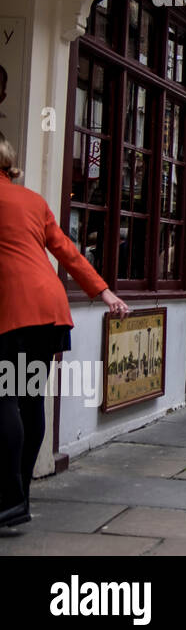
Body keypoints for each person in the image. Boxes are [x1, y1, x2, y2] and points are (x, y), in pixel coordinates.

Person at [0, 133, 130, 528]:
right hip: (49, 311)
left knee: (4, 399)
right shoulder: (32, 201)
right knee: (29, 398)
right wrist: (104, 291)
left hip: (12, 311)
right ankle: (18, 499)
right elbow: (67, 251)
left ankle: (9, 500)